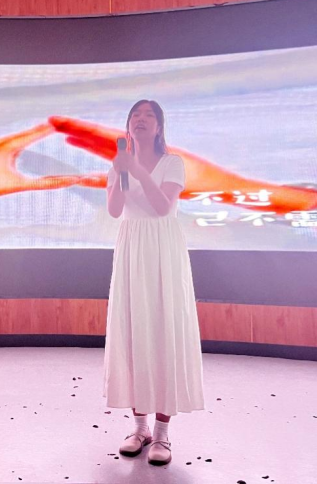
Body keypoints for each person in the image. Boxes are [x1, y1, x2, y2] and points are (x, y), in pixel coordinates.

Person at [103, 100, 204, 466]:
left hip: (162, 249)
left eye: (149, 115)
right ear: (128, 126)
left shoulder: (172, 163)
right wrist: (122, 171)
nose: (141, 119)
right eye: (135, 115)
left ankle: (162, 433)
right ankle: (139, 428)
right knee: (134, 331)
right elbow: (115, 210)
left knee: (163, 331)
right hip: (131, 248)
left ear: (159, 126)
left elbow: (162, 207)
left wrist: (136, 171)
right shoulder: (118, 165)